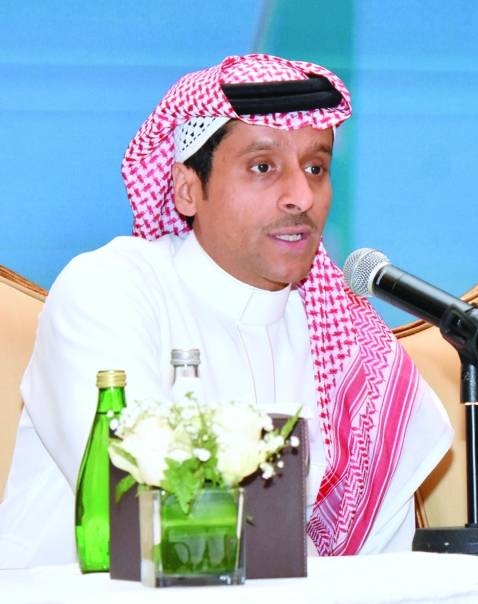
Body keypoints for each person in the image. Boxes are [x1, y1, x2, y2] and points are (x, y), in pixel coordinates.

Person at [2, 53, 452, 566]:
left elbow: (384, 575)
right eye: (263, 167)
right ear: (187, 189)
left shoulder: (357, 355)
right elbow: (150, 516)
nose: (301, 196)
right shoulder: (110, 290)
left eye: (316, 167)